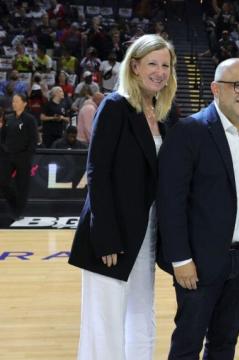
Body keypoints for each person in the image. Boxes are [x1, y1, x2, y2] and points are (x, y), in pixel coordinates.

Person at [68, 34, 177, 360]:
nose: (160, 72)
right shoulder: (115, 106)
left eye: (166, 65)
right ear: (134, 65)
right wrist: (105, 237)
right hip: (111, 234)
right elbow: (97, 174)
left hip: (146, 233)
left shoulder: (163, 113)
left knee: (142, 315)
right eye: (153, 64)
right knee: (106, 321)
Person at [157, 58, 239, 359]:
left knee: (224, 343)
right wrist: (180, 259)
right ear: (216, 89)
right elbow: (170, 201)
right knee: (188, 344)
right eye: (238, 85)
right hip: (199, 262)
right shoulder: (189, 131)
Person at [0, 93, 38, 218]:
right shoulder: (9, 118)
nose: (13, 103)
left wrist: (28, 156)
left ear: (25, 103)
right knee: (3, 182)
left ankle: (18, 212)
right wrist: (4, 149)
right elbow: (3, 136)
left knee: (22, 185)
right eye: (13, 101)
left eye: (16, 101)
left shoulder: (29, 119)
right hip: (8, 156)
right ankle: (15, 205)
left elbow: (34, 140)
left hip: (23, 157)